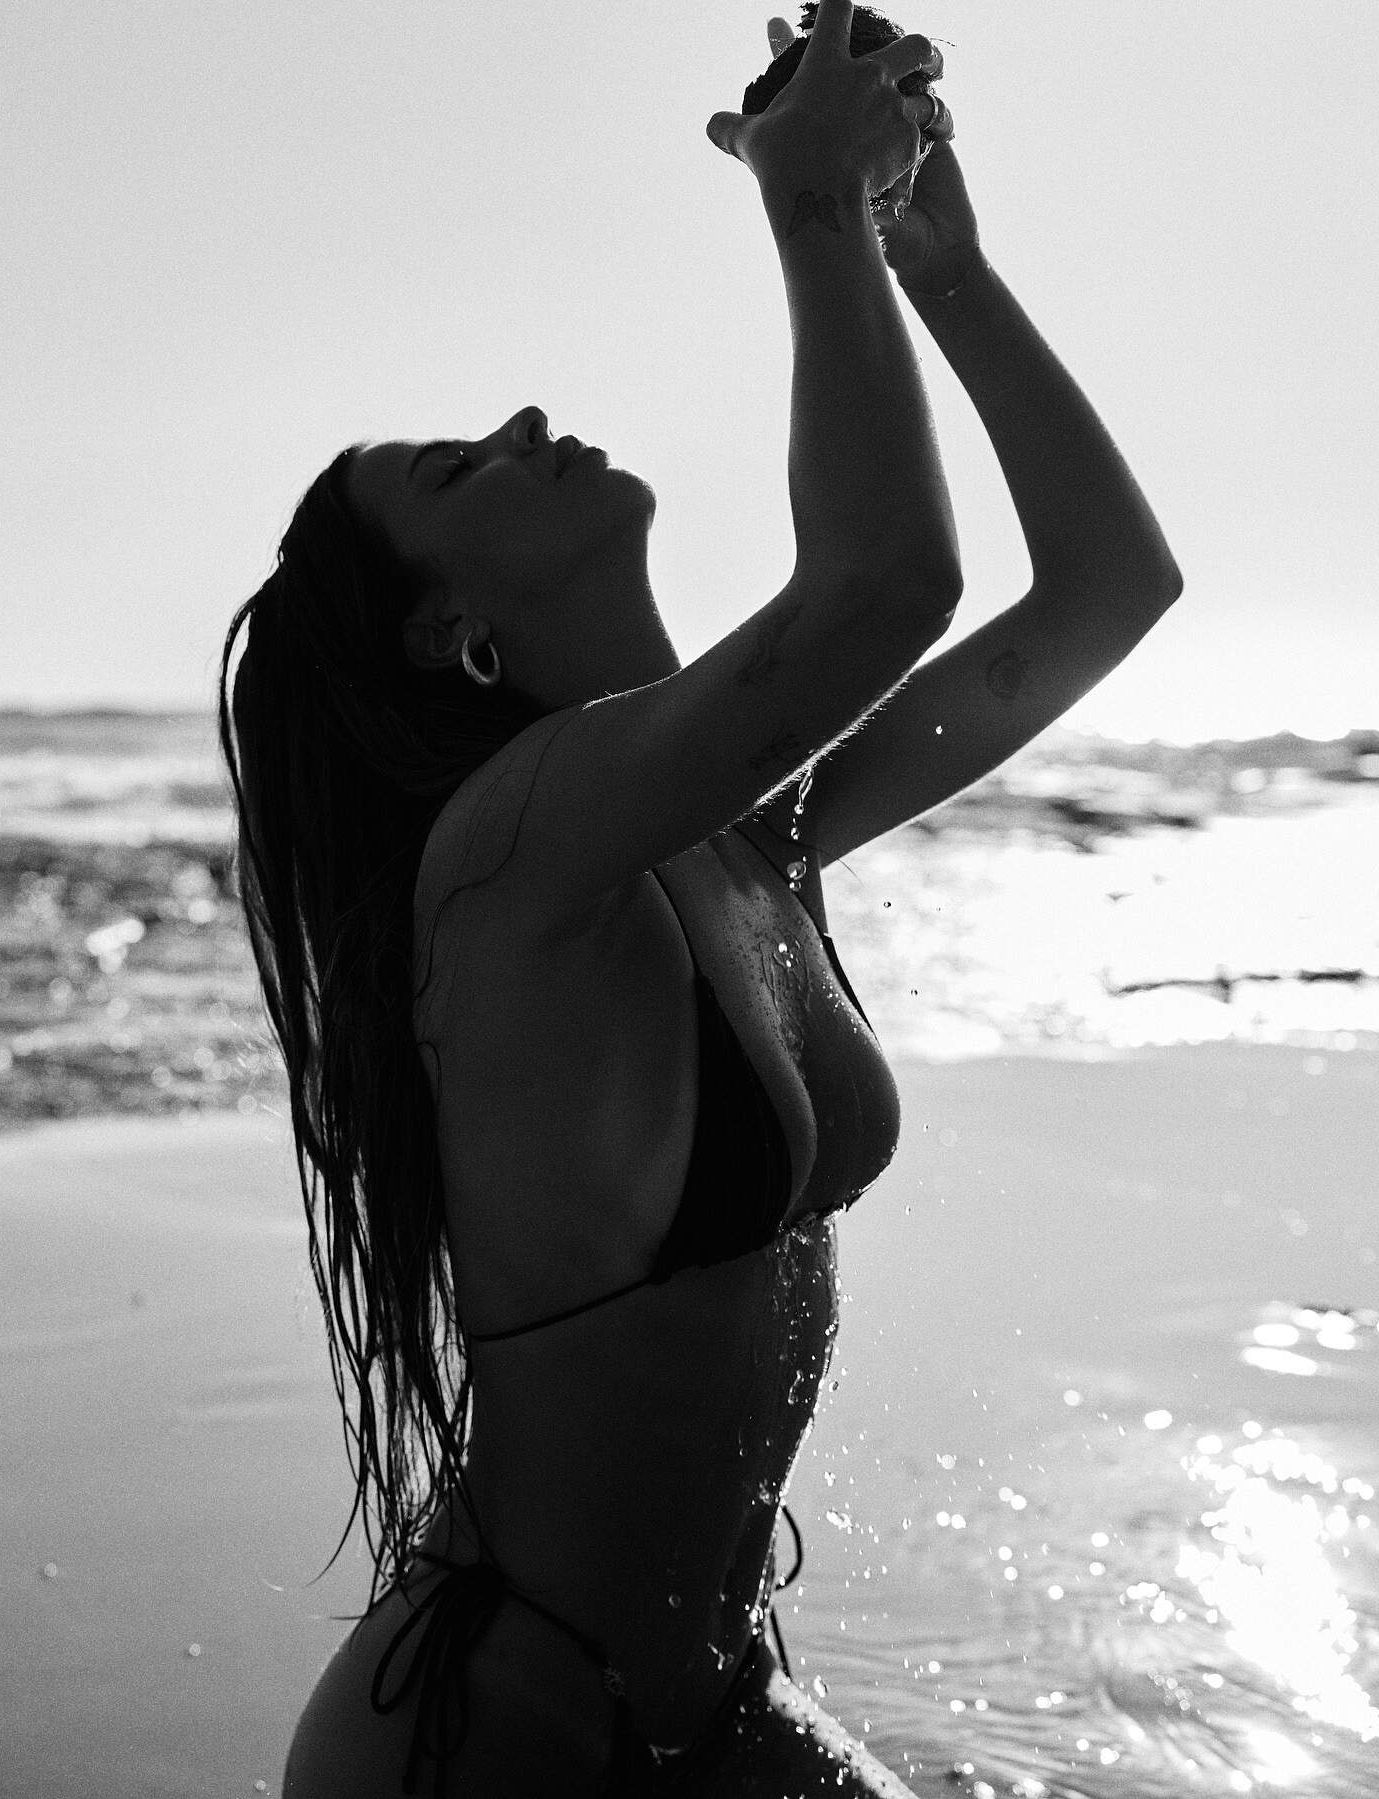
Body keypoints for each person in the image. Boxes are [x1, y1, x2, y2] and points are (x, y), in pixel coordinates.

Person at [222, 3, 1182, 1792]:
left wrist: (940, 267)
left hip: (719, 1693)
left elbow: (1109, 590)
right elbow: (880, 585)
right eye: (458, 468)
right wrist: (810, 203)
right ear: (450, 632)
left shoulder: (761, 834)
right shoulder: (505, 859)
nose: (522, 420)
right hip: (494, 1729)